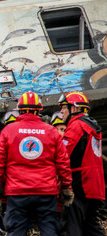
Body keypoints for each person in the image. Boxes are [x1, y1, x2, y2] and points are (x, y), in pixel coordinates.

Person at [0, 91, 73, 236]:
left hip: (17, 193)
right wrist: (66, 187)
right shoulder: (51, 131)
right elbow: (63, 163)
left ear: (19, 109)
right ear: (39, 110)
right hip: (46, 192)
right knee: (50, 230)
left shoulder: (8, 131)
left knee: (16, 231)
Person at [59, 91, 105, 235]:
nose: (61, 111)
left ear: (73, 109)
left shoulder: (76, 126)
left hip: (80, 183)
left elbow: (63, 155)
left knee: (72, 225)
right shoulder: (93, 126)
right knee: (91, 226)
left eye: (64, 108)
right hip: (95, 185)